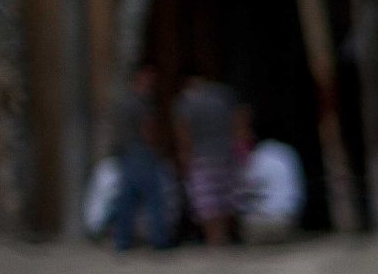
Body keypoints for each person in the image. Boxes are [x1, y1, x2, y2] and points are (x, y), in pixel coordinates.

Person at [102, 64, 173, 251]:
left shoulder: (123, 102)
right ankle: (159, 241)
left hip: (126, 154)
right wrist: (157, 148)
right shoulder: (142, 102)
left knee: (127, 199)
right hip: (140, 153)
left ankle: (122, 241)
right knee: (154, 197)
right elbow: (147, 128)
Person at [174, 73, 241, 246]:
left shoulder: (187, 102)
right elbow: (237, 119)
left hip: (201, 158)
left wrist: (185, 159)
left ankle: (214, 239)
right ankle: (224, 237)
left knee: (207, 203)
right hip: (224, 154)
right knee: (225, 199)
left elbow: (184, 133)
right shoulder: (222, 96)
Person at [233, 102, 306, 244]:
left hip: (266, 223)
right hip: (289, 218)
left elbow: (247, 190)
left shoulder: (259, 156)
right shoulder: (289, 152)